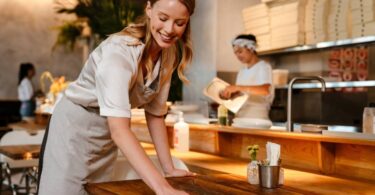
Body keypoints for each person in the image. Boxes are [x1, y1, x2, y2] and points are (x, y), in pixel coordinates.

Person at [37, 0, 195, 194]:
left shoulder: (167, 53)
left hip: (105, 135)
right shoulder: (118, 52)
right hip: (73, 131)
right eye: (163, 18)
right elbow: (120, 131)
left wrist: (168, 169)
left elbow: (155, 114)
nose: (170, 29)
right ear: (149, 9)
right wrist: (162, 189)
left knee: (98, 190)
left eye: (180, 23)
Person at [220, 34, 274, 120]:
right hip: (240, 118)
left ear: (251, 49)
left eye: (240, 51)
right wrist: (229, 95)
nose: (238, 56)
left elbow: (265, 90)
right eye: (235, 53)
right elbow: (241, 93)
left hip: (257, 120)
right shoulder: (242, 71)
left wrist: (238, 87)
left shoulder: (263, 67)